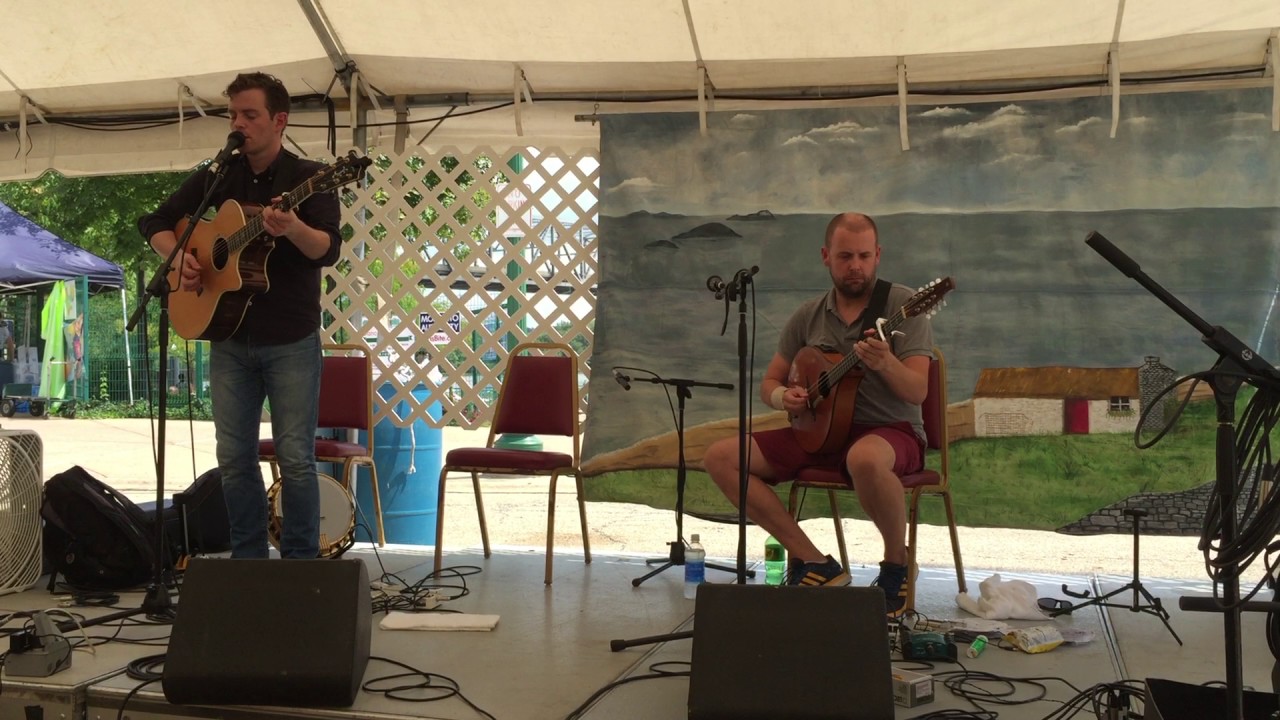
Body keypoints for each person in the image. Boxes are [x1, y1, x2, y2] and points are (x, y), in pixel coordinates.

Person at [138, 72, 342, 559]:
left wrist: (292, 227)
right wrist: (183, 256)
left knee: (294, 458)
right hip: (228, 337)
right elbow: (155, 221)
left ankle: (299, 566)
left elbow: (328, 249)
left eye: (249, 115)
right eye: (233, 115)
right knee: (233, 457)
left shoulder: (309, 178)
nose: (239, 124)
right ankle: (247, 563)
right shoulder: (218, 176)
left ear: (279, 120)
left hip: (289, 337)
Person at [703, 212, 932, 616]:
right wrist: (783, 398)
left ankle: (897, 564)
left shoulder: (903, 307)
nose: (855, 265)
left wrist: (885, 363)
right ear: (826, 257)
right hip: (819, 433)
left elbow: (918, 390)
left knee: (863, 457)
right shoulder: (807, 316)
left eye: (864, 255)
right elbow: (769, 382)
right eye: (845, 256)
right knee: (721, 457)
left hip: (888, 432)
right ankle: (816, 562)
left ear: (878, 255)